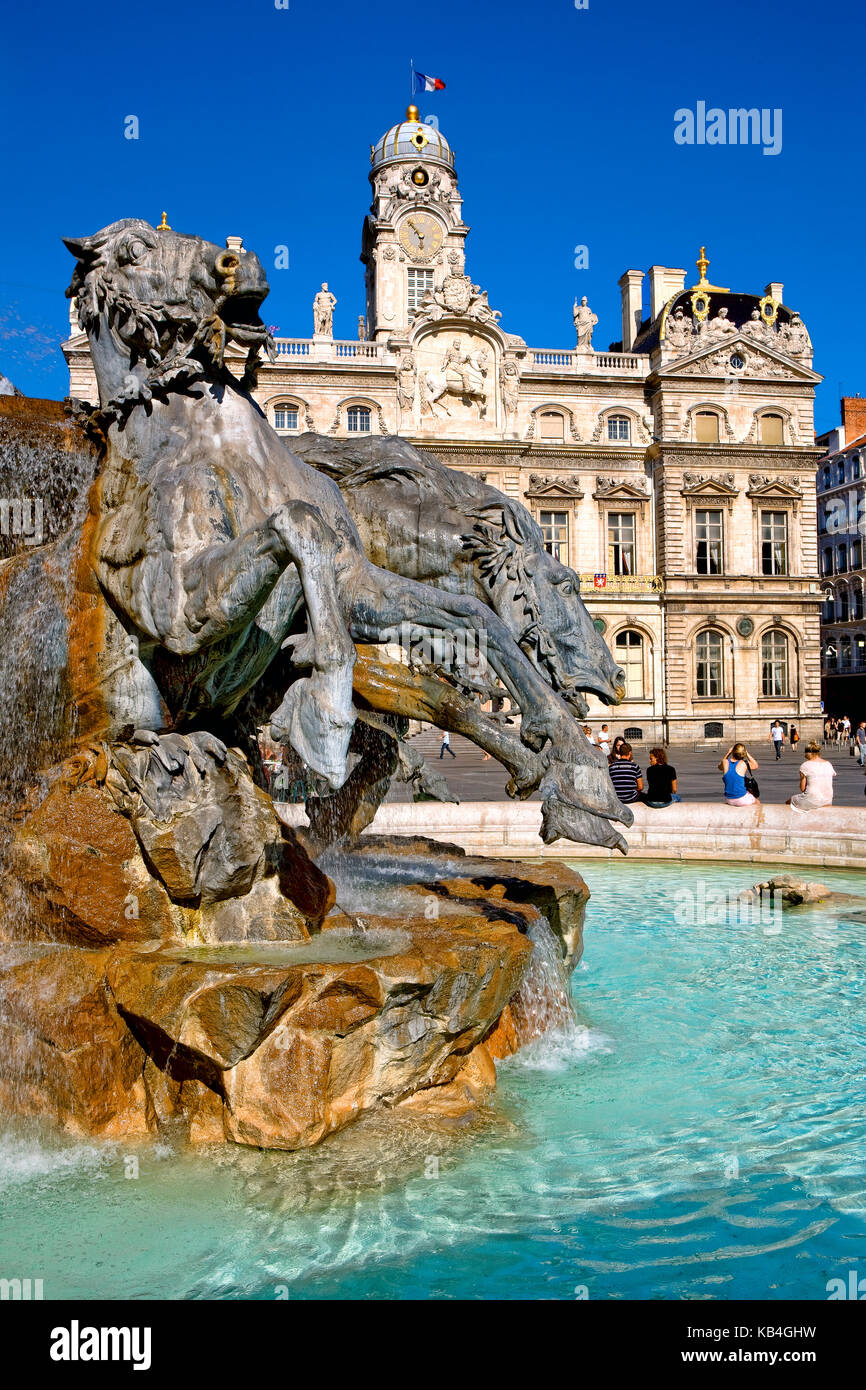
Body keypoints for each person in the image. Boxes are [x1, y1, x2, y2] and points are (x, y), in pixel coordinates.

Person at [788, 741, 836, 810]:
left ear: (809, 753)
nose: (804, 755)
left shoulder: (805, 765)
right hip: (827, 800)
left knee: (789, 801)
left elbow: (802, 789)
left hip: (811, 800)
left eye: (805, 752)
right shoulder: (828, 764)